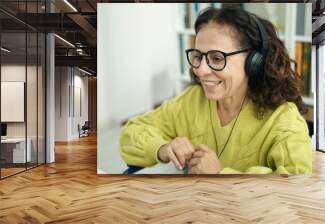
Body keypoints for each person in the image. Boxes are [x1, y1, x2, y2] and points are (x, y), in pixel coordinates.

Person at [120, 6, 312, 174]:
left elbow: (295, 191)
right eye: (198, 56)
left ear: (254, 61)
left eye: (217, 58)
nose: (201, 70)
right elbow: (131, 132)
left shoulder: (283, 120)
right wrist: (162, 148)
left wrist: (221, 174)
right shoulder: (192, 99)